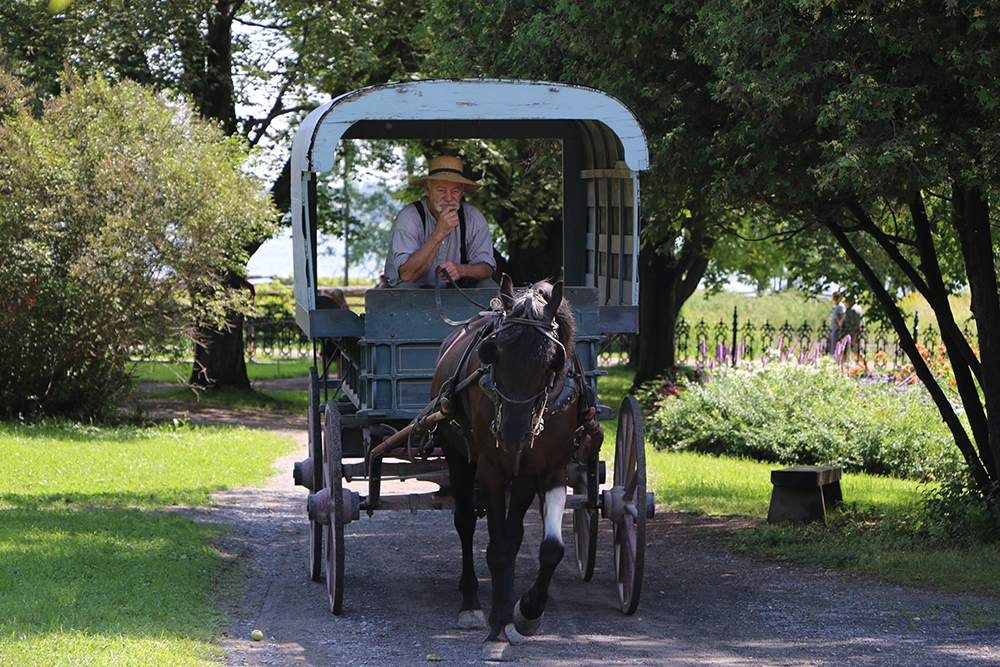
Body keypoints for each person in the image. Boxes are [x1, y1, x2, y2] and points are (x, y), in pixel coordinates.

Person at [383, 156, 496, 288]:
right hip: (415, 294)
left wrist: (462, 270)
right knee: (407, 288)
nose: (448, 198)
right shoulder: (409, 217)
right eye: (441, 190)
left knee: (488, 286)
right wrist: (439, 233)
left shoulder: (473, 218)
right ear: (427, 189)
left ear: (462, 192)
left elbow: (487, 270)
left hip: (459, 293)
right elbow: (407, 276)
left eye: (455, 191)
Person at [839, 293, 865, 368]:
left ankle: (865, 367)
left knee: (856, 351)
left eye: (848, 300)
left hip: (853, 334)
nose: (846, 302)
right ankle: (843, 368)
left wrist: (858, 335)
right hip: (850, 334)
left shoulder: (853, 310)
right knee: (845, 351)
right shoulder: (855, 308)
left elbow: (857, 324)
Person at [828, 291, 846, 355]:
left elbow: (842, 316)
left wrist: (838, 323)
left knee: (836, 348)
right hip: (833, 329)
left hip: (837, 330)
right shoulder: (835, 307)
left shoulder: (841, 306)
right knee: (831, 348)